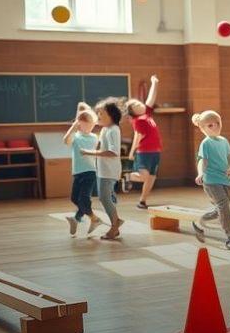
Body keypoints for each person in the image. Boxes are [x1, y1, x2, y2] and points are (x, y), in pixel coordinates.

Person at [191, 110, 230, 251]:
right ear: (202, 128)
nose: (216, 127)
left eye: (218, 123)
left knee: (221, 208)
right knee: (223, 205)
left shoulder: (224, 141)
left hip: (225, 179)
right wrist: (200, 174)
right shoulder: (206, 143)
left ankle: (199, 223)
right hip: (211, 180)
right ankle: (229, 238)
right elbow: (202, 161)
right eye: (211, 125)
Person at [82, 98, 124, 240]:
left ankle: (115, 224)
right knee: (105, 198)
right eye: (97, 113)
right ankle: (115, 223)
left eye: (101, 113)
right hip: (103, 171)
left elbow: (113, 152)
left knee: (104, 198)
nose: (98, 116)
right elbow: (102, 147)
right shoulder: (106, 129)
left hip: (109, 171)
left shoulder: (113, 130)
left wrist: (89, 152)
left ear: (112, 115)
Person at [63, 102, 103, 237]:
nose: (90, 127)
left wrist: (83, 115)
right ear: (79, 124)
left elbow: (85, 126)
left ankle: (78, 219)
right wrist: (74, 126)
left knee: (84, 199)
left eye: (92, 124)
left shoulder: (94, 137)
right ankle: (93, 219)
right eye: (86, 124)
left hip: (90, 172)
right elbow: (66, 140)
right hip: (77, 172)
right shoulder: (76, 136)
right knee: (74, 198)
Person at [125, 75, 161, 209]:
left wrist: (154, 83)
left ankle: (142, 201)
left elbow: (151, 99)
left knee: (151, 178)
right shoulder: (138, 120)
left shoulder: (147, 114)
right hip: (144, 152)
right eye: (134, 105)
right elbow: (137, 136)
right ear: (133, 112)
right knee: (144, 177)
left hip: (155, 151)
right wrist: (132, 151)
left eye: (137, 102)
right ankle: (127, 177)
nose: (138, 103)